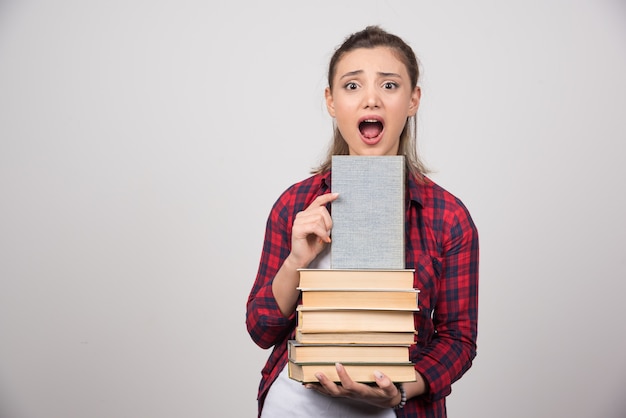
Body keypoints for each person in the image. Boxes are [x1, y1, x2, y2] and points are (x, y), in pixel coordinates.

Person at [246, 25, 479, 418]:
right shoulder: (294, 205)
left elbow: (459, 340)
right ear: (331, 101)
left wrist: (400, 391)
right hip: (296, 405)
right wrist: (295, 261)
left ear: (413, 100)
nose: (371, 99)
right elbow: (260, 329)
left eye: (389, 86)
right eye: (352, 86)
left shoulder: (449, 218)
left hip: (395, 409)